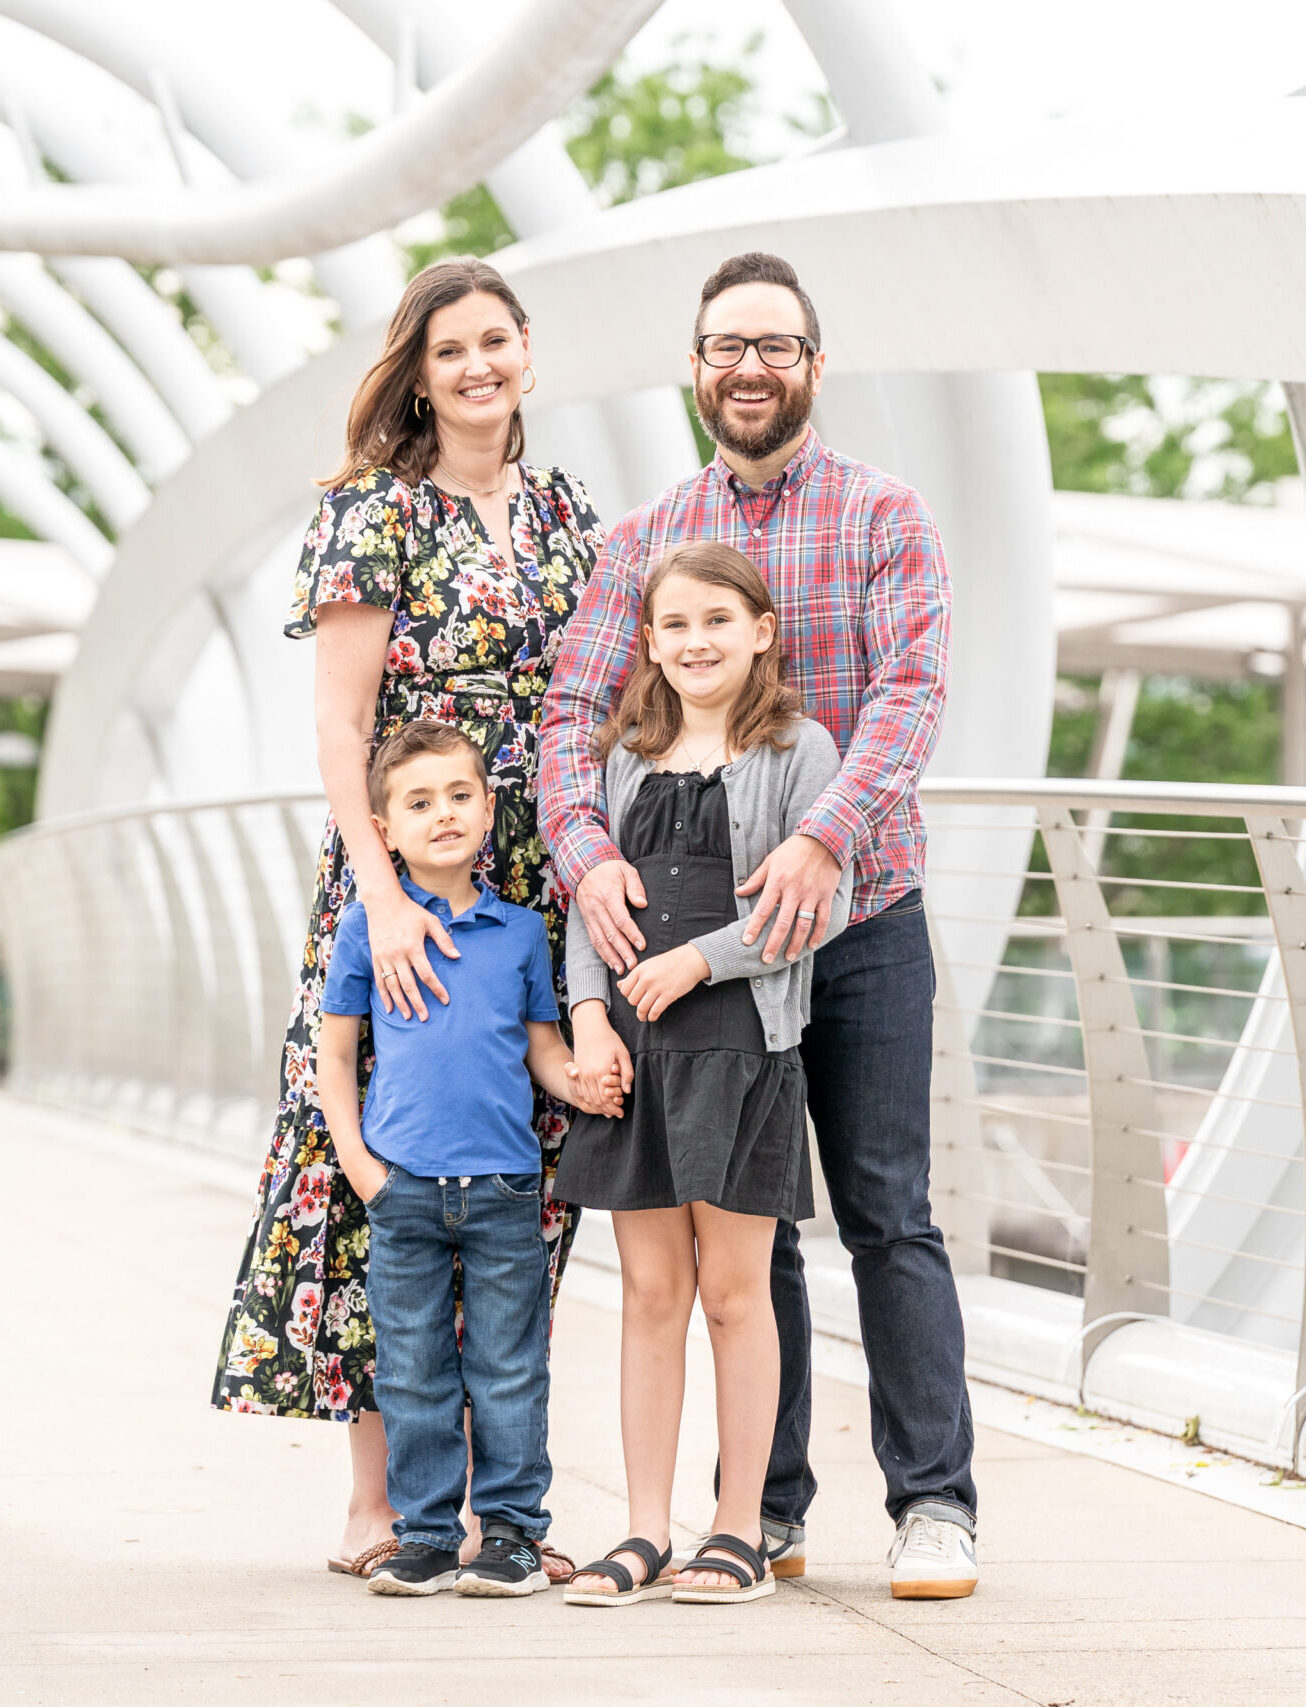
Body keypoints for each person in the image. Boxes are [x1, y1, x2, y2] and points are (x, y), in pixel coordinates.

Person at [540, 251, 980, 1599]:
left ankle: (932, 1501)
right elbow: (570, 716)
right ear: (695, 365)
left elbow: (909, 689)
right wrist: (586, 850)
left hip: (861, 911)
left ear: (812, 362)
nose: (750, 367)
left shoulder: (881, 514)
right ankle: (763, 1508)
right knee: (750, 1222)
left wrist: (817, 832)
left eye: (775, 346)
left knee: (886, 1208)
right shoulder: (643, 540)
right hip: (698, 956)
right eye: (726, 345)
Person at [211, 256, 604, 1583]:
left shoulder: (564, 512)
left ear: (527, 353)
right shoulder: (374, 512)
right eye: (451, 350)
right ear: (418, 372)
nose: (478, 365)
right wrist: (378, 893)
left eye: (497, 341)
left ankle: (501, 1508)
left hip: (532, 892)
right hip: (405, 890)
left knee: (520, 1181)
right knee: (389, 1169)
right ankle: (378, 1500)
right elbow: (336, 721)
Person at [556, 543, 850, 1606]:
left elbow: (817, 909)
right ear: (648, 642)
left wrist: (697, 959)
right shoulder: (622, 756)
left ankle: (735, 1531)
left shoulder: (799, 750)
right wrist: (588, 1016)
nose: (696, 644)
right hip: (635, 1054)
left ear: (761, 631)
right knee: (647, 1293)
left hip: (740, 1048)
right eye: (674, 626)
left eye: (718, 622)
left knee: (733, 1294)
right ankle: (641, 1530)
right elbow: (589, 902)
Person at [317, 721, 619, 1596]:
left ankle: (515, 1536)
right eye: (418, 802)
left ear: (490, 808)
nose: (442, 814)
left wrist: (585, 1083)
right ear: (385, 830)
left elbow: (541, 1051)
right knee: (411, 1370)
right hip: (402, 1189)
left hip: (503, 1188)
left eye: (459, 795)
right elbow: (334, 1058)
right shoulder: (365, 932)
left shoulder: (522, 932)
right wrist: (364, 1169)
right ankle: (424, 1535)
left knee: (510, 1368)